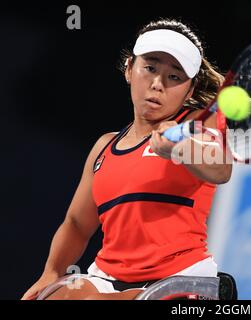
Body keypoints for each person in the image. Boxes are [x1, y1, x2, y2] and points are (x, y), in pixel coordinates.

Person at [21, 18, 232, 300]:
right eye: (150, 67)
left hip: (181, 282)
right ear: (129, 69)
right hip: (106, 281)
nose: (158, 84)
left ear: (190, 90)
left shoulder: (195, 125)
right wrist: (52, 272)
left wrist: (180, 148)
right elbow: (77, 224)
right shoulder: (104, 147)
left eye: (174, 76)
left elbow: (220, 169)